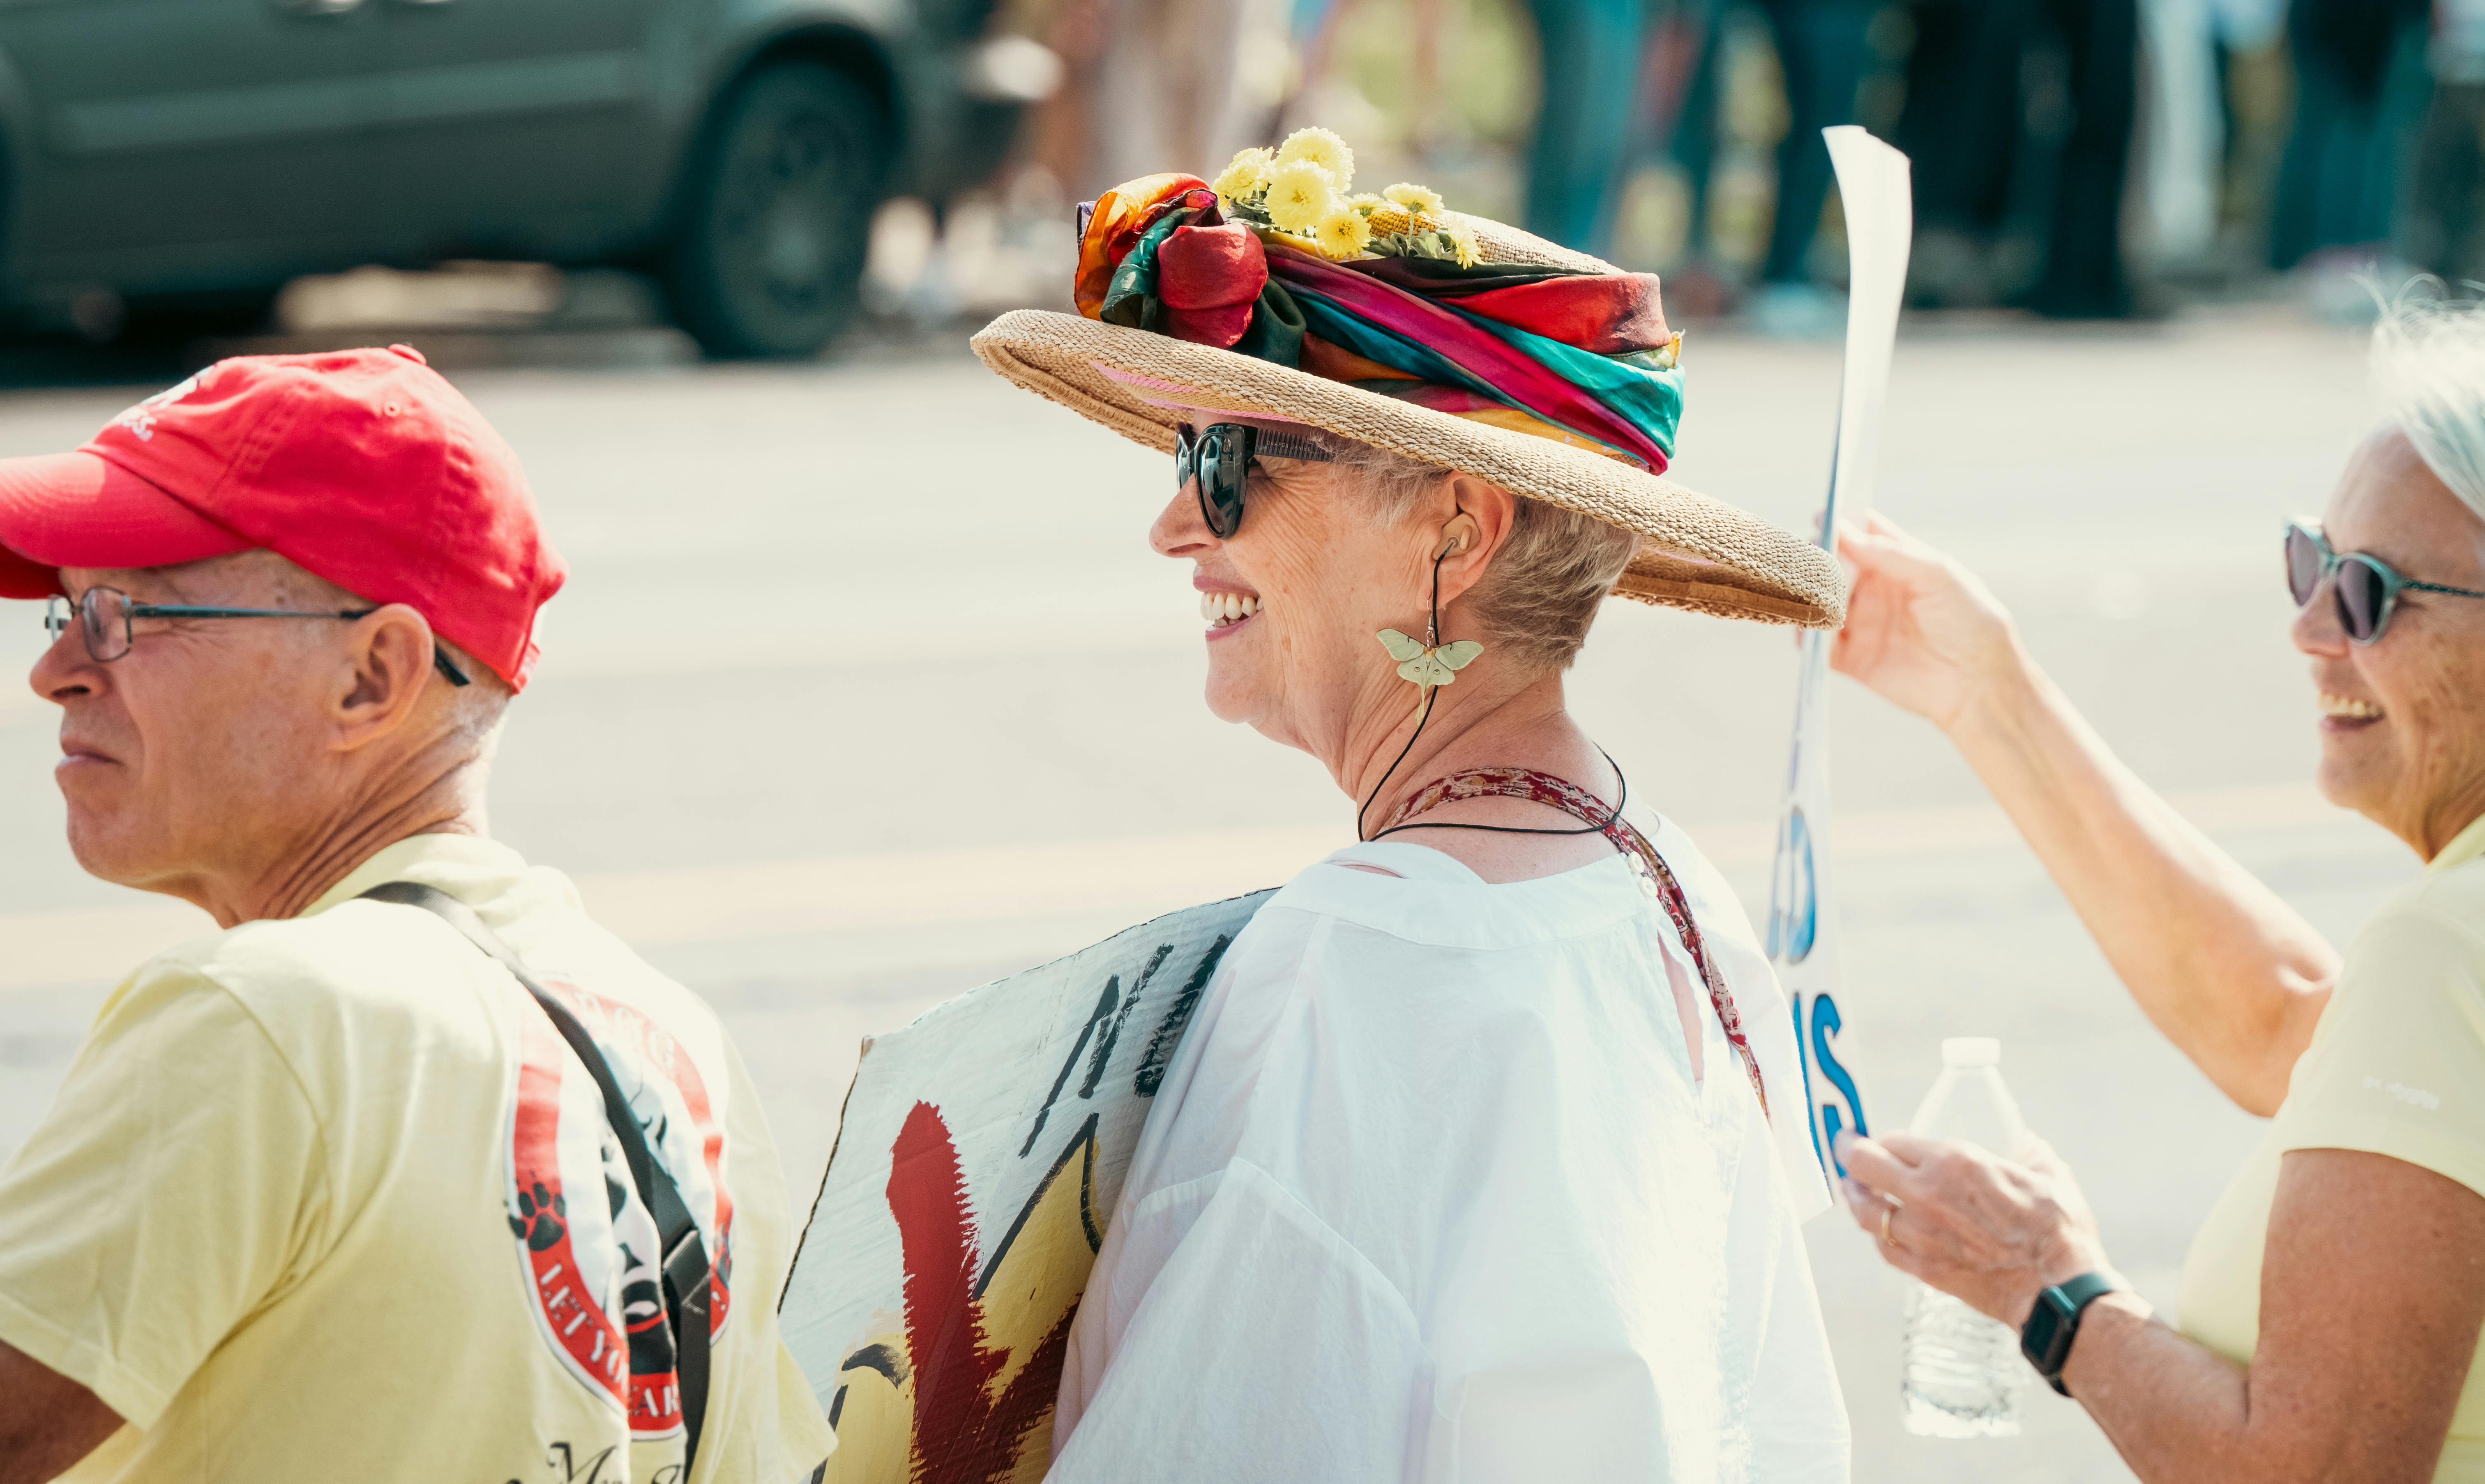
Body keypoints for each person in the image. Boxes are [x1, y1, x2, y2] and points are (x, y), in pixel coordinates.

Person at [972, 133, 1853, 1479]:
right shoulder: (1654, 869)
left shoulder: (1368, 962)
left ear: (1454, 528)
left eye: (1228, 464)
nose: (1175, 528)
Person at [0, 347, 834, 1483]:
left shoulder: (264, 1023)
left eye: (123, 613)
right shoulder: (676, 1041)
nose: (57, 668)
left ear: (372, 677)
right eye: (62, 611)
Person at [1827, 293, 2485, 1479]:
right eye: (2311, 559)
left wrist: (2050, 1285)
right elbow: (2290, 1023)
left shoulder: (2446, 952)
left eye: (2369, 592)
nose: (2307, 627)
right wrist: (1988, 694)